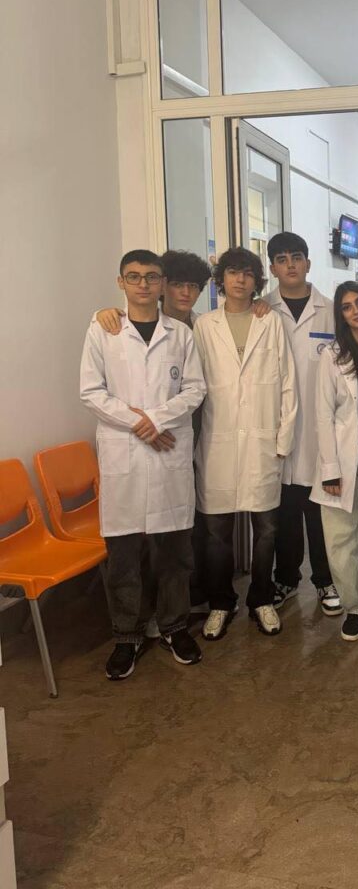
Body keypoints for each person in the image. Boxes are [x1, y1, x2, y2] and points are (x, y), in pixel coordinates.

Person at [80, 250, 206, 679]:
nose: (143, 284)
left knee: (175, 554)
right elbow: (91, 391)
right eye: (133, 277)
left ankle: (173, 627)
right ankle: (127, 636)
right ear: (121, 282)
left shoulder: (181, 334)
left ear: (161, 283)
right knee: (124, 556)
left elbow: (195, 389)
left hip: (168, 454)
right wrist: (142, 424)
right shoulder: (103, 330)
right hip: (126, 454)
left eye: (151, 277)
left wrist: (156, 420)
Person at [193, 247, 297, 638]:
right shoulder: (205, 326)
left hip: (262, 443)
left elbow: (287, 383)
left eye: (248, 273)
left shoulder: (270, 322)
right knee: (216, 533)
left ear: (257, 280)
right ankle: (221, 603)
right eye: (233, 272)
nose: (240, 280)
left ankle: (261, 599)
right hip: (217, 443)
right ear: (221, 279)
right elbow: (194, 386)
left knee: (266, 530)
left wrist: (283, 439)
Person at [265, 232, 341, 616]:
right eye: (281, 259)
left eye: (296, 257)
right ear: (272, 267)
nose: (290, 264)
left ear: (308, 263)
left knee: (321, 513)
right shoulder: (262, 311)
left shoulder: (331, 311)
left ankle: (326, 580)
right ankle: (286, 579)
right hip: (277, 430)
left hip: (319, 432)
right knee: (284, 515)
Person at [310, 282, 358, 641]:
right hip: (342, 452)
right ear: (340, 315)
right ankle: (355, 607)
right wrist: (329, 469)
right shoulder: (333, 355)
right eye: (347, 306)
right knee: (340, 541)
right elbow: (323, 413)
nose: (356, 311)